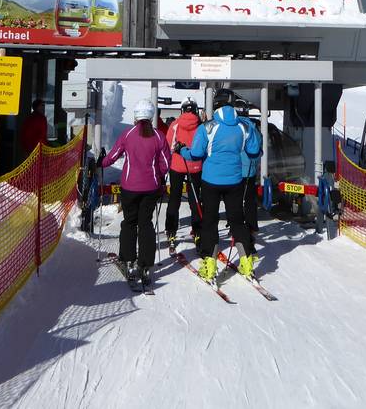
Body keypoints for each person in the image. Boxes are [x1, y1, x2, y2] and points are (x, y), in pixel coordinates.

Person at [178, 92, 262, 281]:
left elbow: (196, 154)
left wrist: (182, 151)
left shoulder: (208, 127)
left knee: (210, 221)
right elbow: (254, 152)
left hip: (211, 181)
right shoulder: (243, 126)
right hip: (235, 180)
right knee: (237, 221)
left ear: (216, 107)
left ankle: (209, 266)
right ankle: (247, 262)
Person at [100, 98, 170, 285]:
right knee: (146, 224)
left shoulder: (128, 134)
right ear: (151, 116)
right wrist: (157, 175)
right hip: (151, 188)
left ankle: (129, 261)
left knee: (129, 223)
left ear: (136, 116)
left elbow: (113, 155)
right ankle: (145, 265)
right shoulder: (158, 136)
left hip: (130, 187)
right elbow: (166, 163)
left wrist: (101, 162)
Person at [164, 98, 203, 252]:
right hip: (196, 166)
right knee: (195, 199)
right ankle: (198, 231)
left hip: (177, 165)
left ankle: (171, 231)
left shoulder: (175, 125)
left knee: (174, 198)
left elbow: (169, 145)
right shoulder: (200, 126)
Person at [235, 110, 264, 236]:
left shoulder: (234, 128)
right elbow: (259, 149)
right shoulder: (254, 129)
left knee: (235, 200)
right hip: (250, 170)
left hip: (235, 169)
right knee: (250, 200)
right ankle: (251, 227)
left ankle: (235, 226)